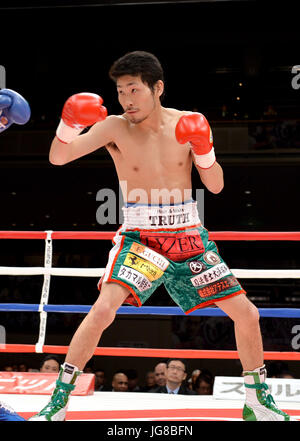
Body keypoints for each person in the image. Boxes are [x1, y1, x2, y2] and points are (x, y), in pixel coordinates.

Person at [29, 51, 294, 421]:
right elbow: (59, 157)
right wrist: (68, 124)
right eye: (120, 91)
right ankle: (58, 401)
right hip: (140, 235)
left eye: (134, 89)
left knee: (247, 315)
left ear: (158, 88)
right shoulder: (114, 127)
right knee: (104, 309)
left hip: (188, 235)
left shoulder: (189, 122)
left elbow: (215, 186)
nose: (126, 100)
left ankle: (256, 403)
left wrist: (204, 152)